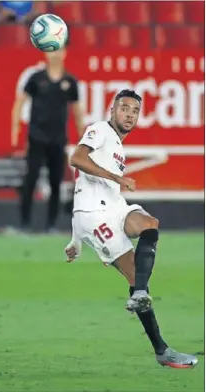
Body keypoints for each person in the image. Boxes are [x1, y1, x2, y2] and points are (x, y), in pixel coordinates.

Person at [64, 89, 198, 368]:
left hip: (113, 206)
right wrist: (115, 177)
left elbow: (80, 188)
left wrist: (74, 240)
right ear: (112, 110)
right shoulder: (99, 129)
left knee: (149, 225)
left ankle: (139, 293)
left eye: (135, 111)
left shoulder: (116, 145)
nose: (129, 114)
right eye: (124, 108)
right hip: (96, 216)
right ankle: (162, 350)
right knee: (136, 276)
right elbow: (76, 159)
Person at [12, 46, 84, 233]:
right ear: (46, 53)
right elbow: (20, 103)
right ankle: (24, 222)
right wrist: (15, 128)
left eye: (59, 51)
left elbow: (77, 112)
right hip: (36, 137)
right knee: (31, 178)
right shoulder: (36, 79)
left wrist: (82, 137)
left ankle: (51, 224)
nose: (55, 54)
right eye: (52, 51)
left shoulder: (70, 82)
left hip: (58, 139)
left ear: (65, 53)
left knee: (55, 182)